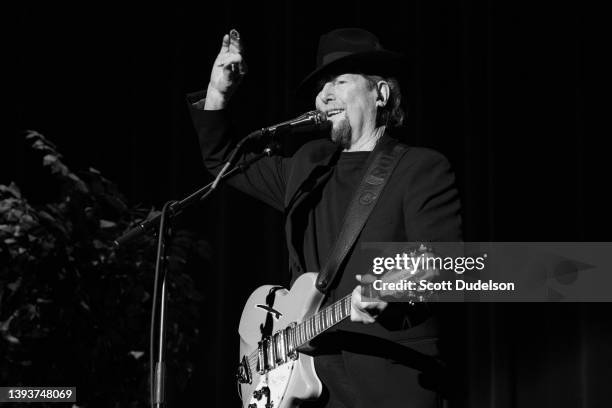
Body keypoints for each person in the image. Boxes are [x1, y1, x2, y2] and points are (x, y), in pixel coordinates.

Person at [188, 28, 462, 408]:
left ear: (380, 93)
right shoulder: (307, 166)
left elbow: (443, 261)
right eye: (322, 86)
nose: (324, 95)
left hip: (388, 379)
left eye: (340, 81)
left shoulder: (419, 168)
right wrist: (217, 94)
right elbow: (224, 164)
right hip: (306, 381)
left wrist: (395, 287)